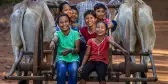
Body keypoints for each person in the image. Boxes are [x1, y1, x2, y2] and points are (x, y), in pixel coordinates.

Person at [50, 14, 80, 84]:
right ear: (58, 24)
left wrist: (70, 50)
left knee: (73, 70)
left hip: (73, 58)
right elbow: (55, 38)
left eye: (66, 21)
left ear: (70, 22)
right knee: (61, 70)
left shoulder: (75, 33)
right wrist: (52, 42)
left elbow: (77, 49)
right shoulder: (58, 33)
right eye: (61, 22)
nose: (64, 24)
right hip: (61, 57)